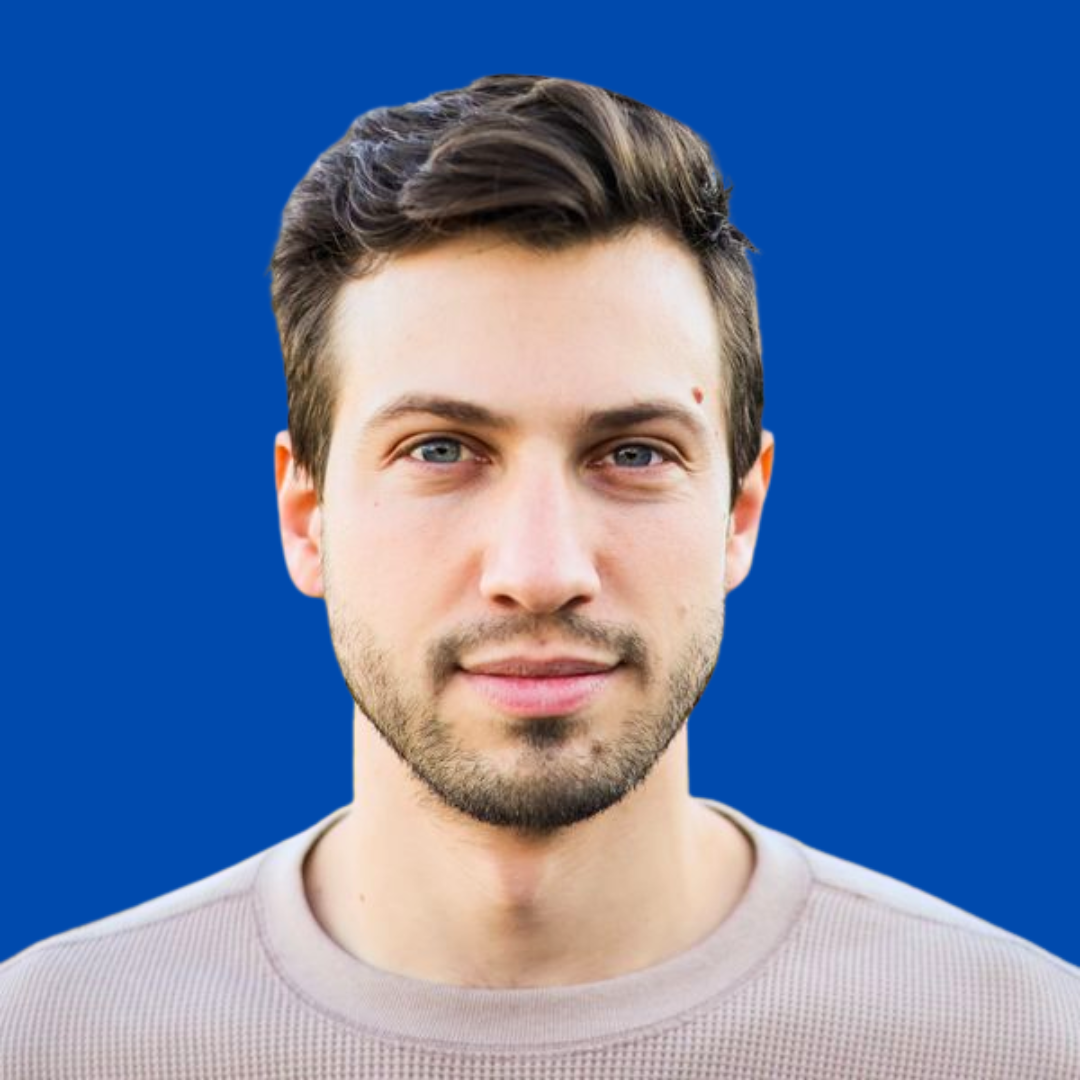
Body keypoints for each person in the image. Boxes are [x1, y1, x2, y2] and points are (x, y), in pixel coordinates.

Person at [2, 73, 1077, 1079]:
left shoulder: (1021, 1044)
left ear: (741, 512)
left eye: (635, 454)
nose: (541, 571)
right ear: (306, 515)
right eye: (439, 451)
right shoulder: (50, 1041)